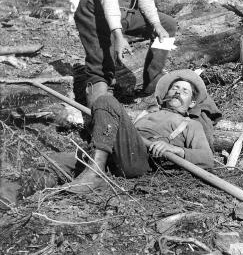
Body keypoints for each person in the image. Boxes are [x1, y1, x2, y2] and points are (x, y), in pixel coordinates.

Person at [67, 70, 216, 193]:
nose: (178, 92)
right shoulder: (146, 114)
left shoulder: (191, 125)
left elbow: (207, 158)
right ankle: (88, 170)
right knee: (57, 161)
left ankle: (94, 173)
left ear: (192, 103)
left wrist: (176, 149)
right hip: (114, 153)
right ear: (166, 94)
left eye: (185, 91)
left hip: (140, 160)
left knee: (106, 100)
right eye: (175, 88)